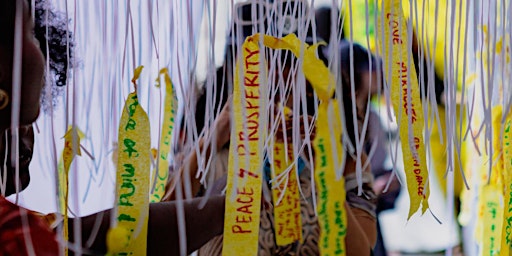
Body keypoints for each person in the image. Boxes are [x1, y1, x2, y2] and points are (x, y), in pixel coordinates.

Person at [0, 1, 226, 255]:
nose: (25, 134)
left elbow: (127, 235)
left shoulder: (24, 224)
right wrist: (220, 210)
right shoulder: (15, 235)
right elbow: (86, 238)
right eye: (31, 32)